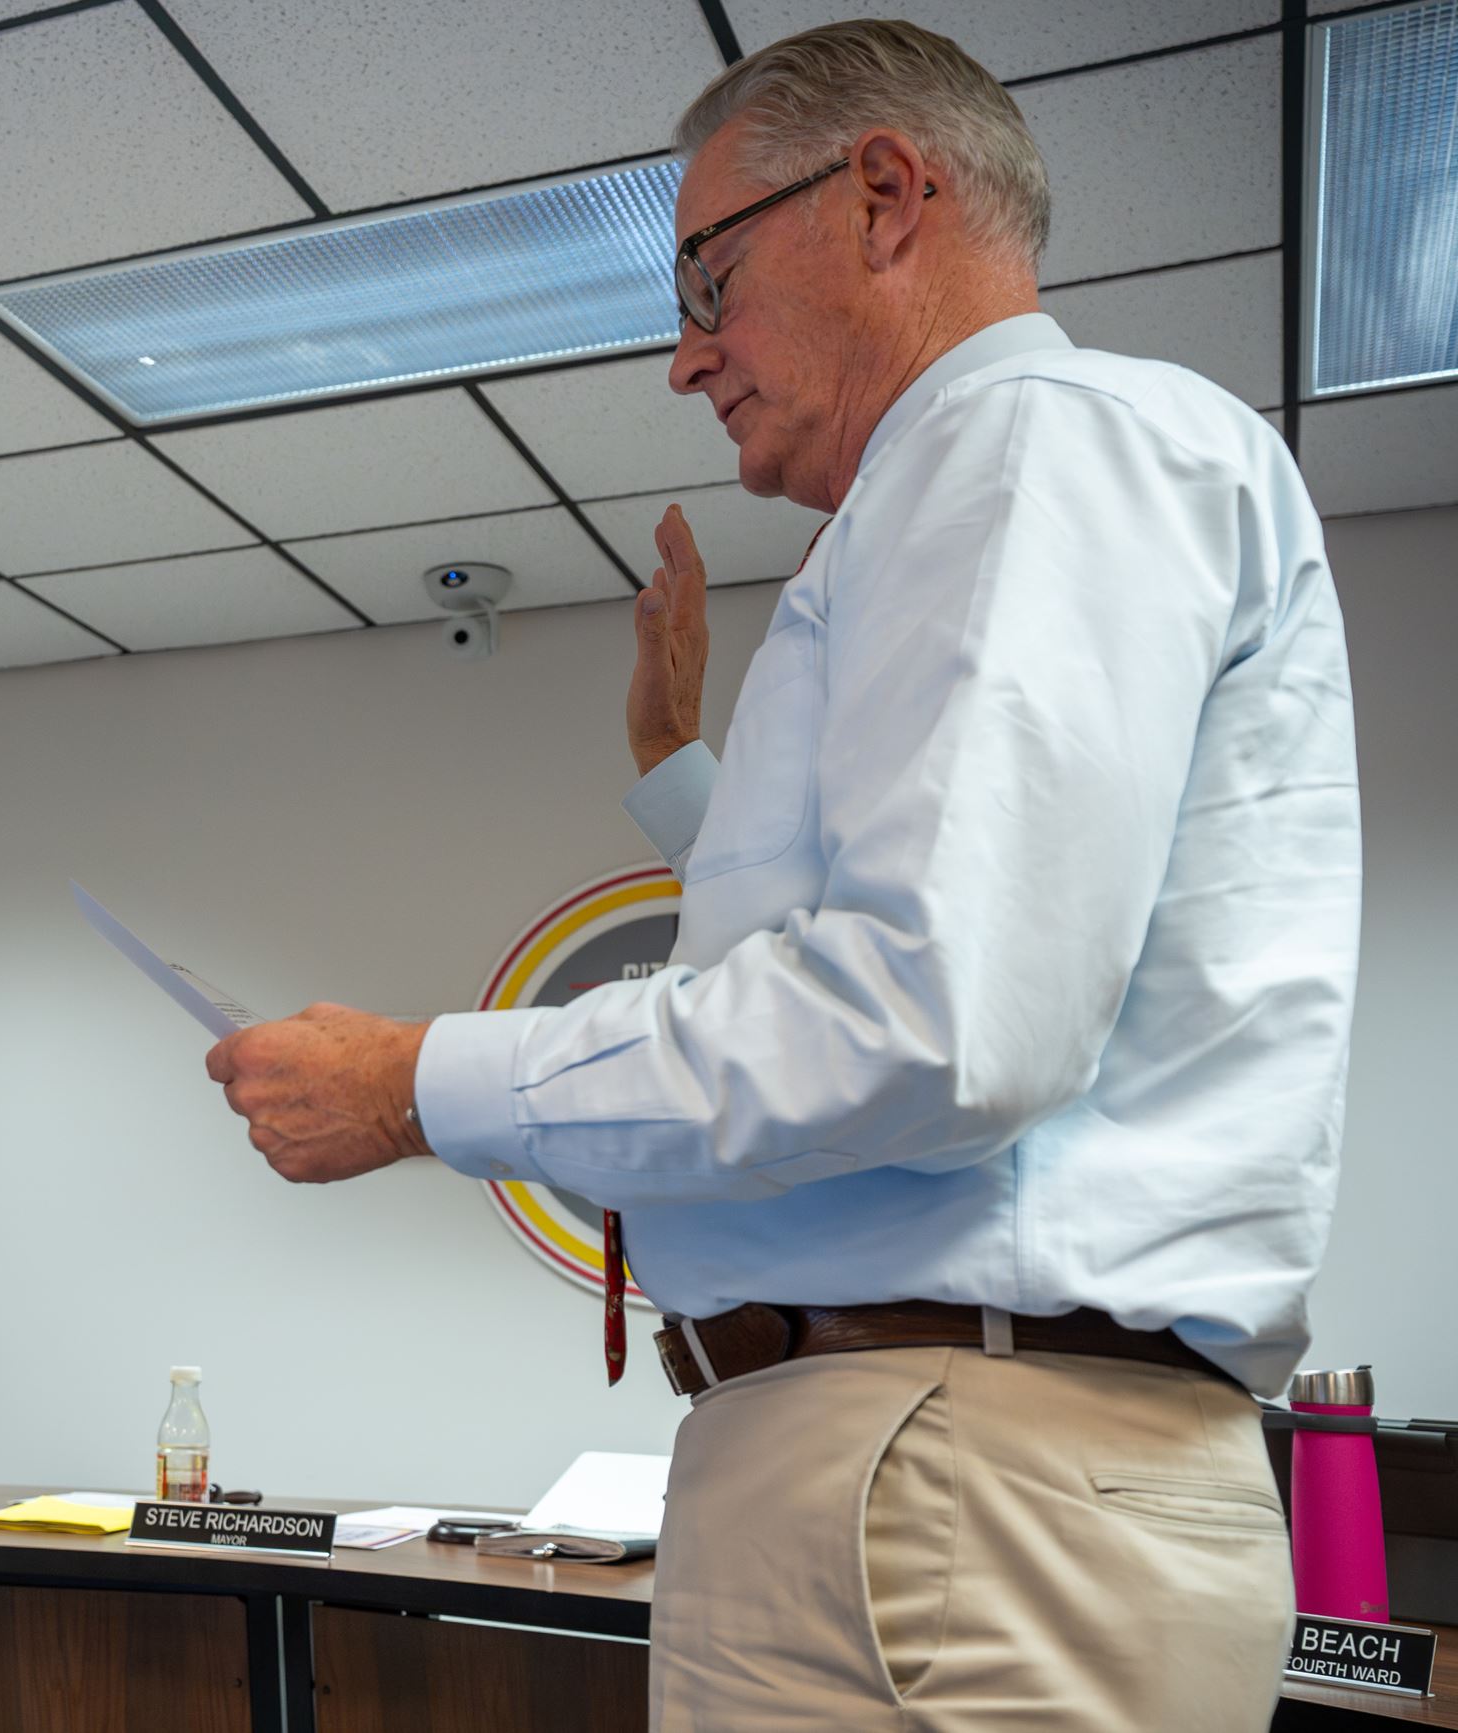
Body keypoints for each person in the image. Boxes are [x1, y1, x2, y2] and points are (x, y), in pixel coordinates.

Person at [205, 19, 1358, 1730]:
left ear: (887, 193)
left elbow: (926, 1014)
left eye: (708, 279)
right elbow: (908, 911)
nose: (687, 358)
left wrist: (415, 1079)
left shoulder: (1032, 438)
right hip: (928, 1456)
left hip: (960, 1461)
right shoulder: (967, 491)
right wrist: (686, 772)